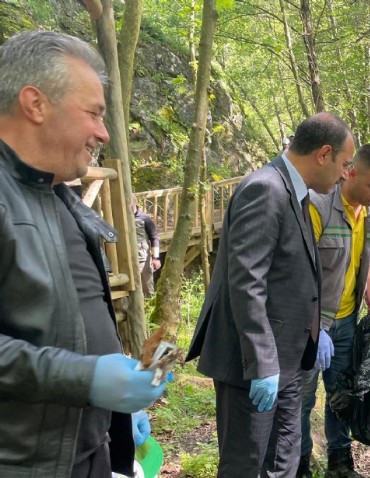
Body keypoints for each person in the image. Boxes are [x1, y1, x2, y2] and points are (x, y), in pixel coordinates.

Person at [0, 30, 167, 477]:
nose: (103, 132)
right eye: (93, 113)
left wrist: (120, 407)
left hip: (87, 449)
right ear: (35, 104)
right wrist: (86, 378)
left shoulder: (56, 192)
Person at [186, 112, 353, 478]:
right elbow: (247, 281)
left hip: (290, 361)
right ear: (324, 154)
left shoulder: (297, 195)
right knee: (246, 464)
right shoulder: (266, 188)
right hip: (254, 364)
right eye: (345, 163)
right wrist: (263, 365)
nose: (345, 174)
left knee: (283, 462)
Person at [299, 143, 370, 478]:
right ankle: (299, 464)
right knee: (304, 400)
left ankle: (339, 464)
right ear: (350, 170)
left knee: (342, 395)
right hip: (311, 329)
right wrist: (316, 329)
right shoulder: (318, 206)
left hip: (347, 324)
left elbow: (368, 262)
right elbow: (301, 272)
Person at [130, 195, 161, 298]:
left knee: (147, 288)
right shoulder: (119, 217)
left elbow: (154, 238)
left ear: (134, 203)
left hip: (142, 259)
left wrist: (155, 258)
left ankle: (149, 309)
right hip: (125, 260)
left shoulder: (144, 219)